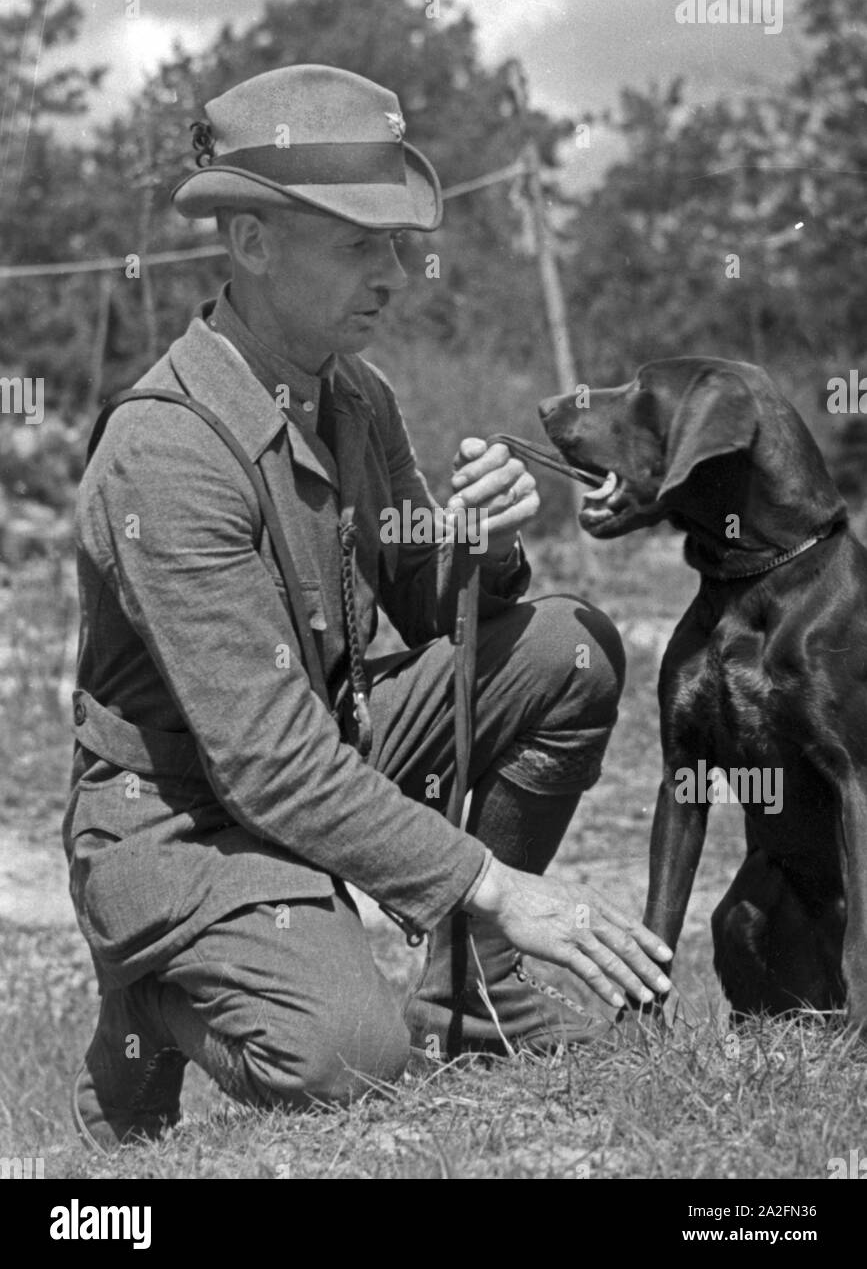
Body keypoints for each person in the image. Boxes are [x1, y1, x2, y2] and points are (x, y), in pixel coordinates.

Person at [65, 64, 672, 1153]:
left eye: (395, 243)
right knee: (345, 1057)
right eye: (359, 244)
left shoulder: (354, 391)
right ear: (252, 242)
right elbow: (265, 762)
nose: (394, 273)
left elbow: (429, 609)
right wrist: (494, 885)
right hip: (187, 815)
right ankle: (149, 990)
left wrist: (483, 544)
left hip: (325, 743)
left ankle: (470, 993)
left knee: (568, 651)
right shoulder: (165, 449)